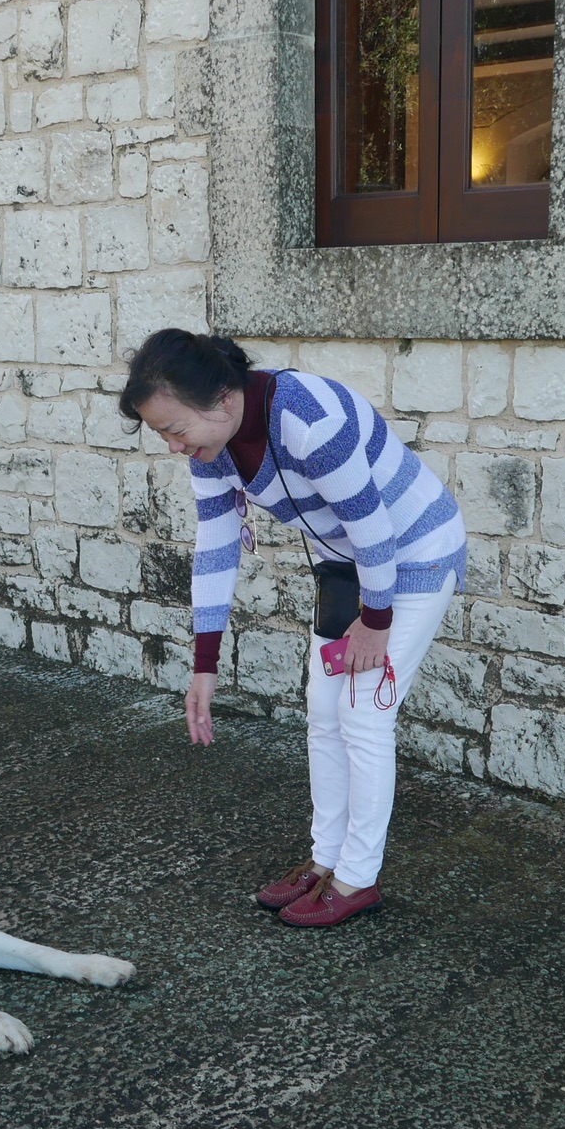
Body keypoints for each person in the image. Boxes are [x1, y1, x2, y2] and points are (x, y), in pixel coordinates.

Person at [121, 330, 467, 927]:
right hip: (348, 565)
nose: (175, 446)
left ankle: (357, 879)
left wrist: (375, 623)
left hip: (413, 555)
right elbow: (216, 546)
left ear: (225, 400)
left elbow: (374, 528)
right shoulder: (214, 448)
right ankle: (325, 861)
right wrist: (204, 667)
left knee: (364, 713)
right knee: (324, 712)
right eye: (162, 434)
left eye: (176, 429)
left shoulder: (311, 420)